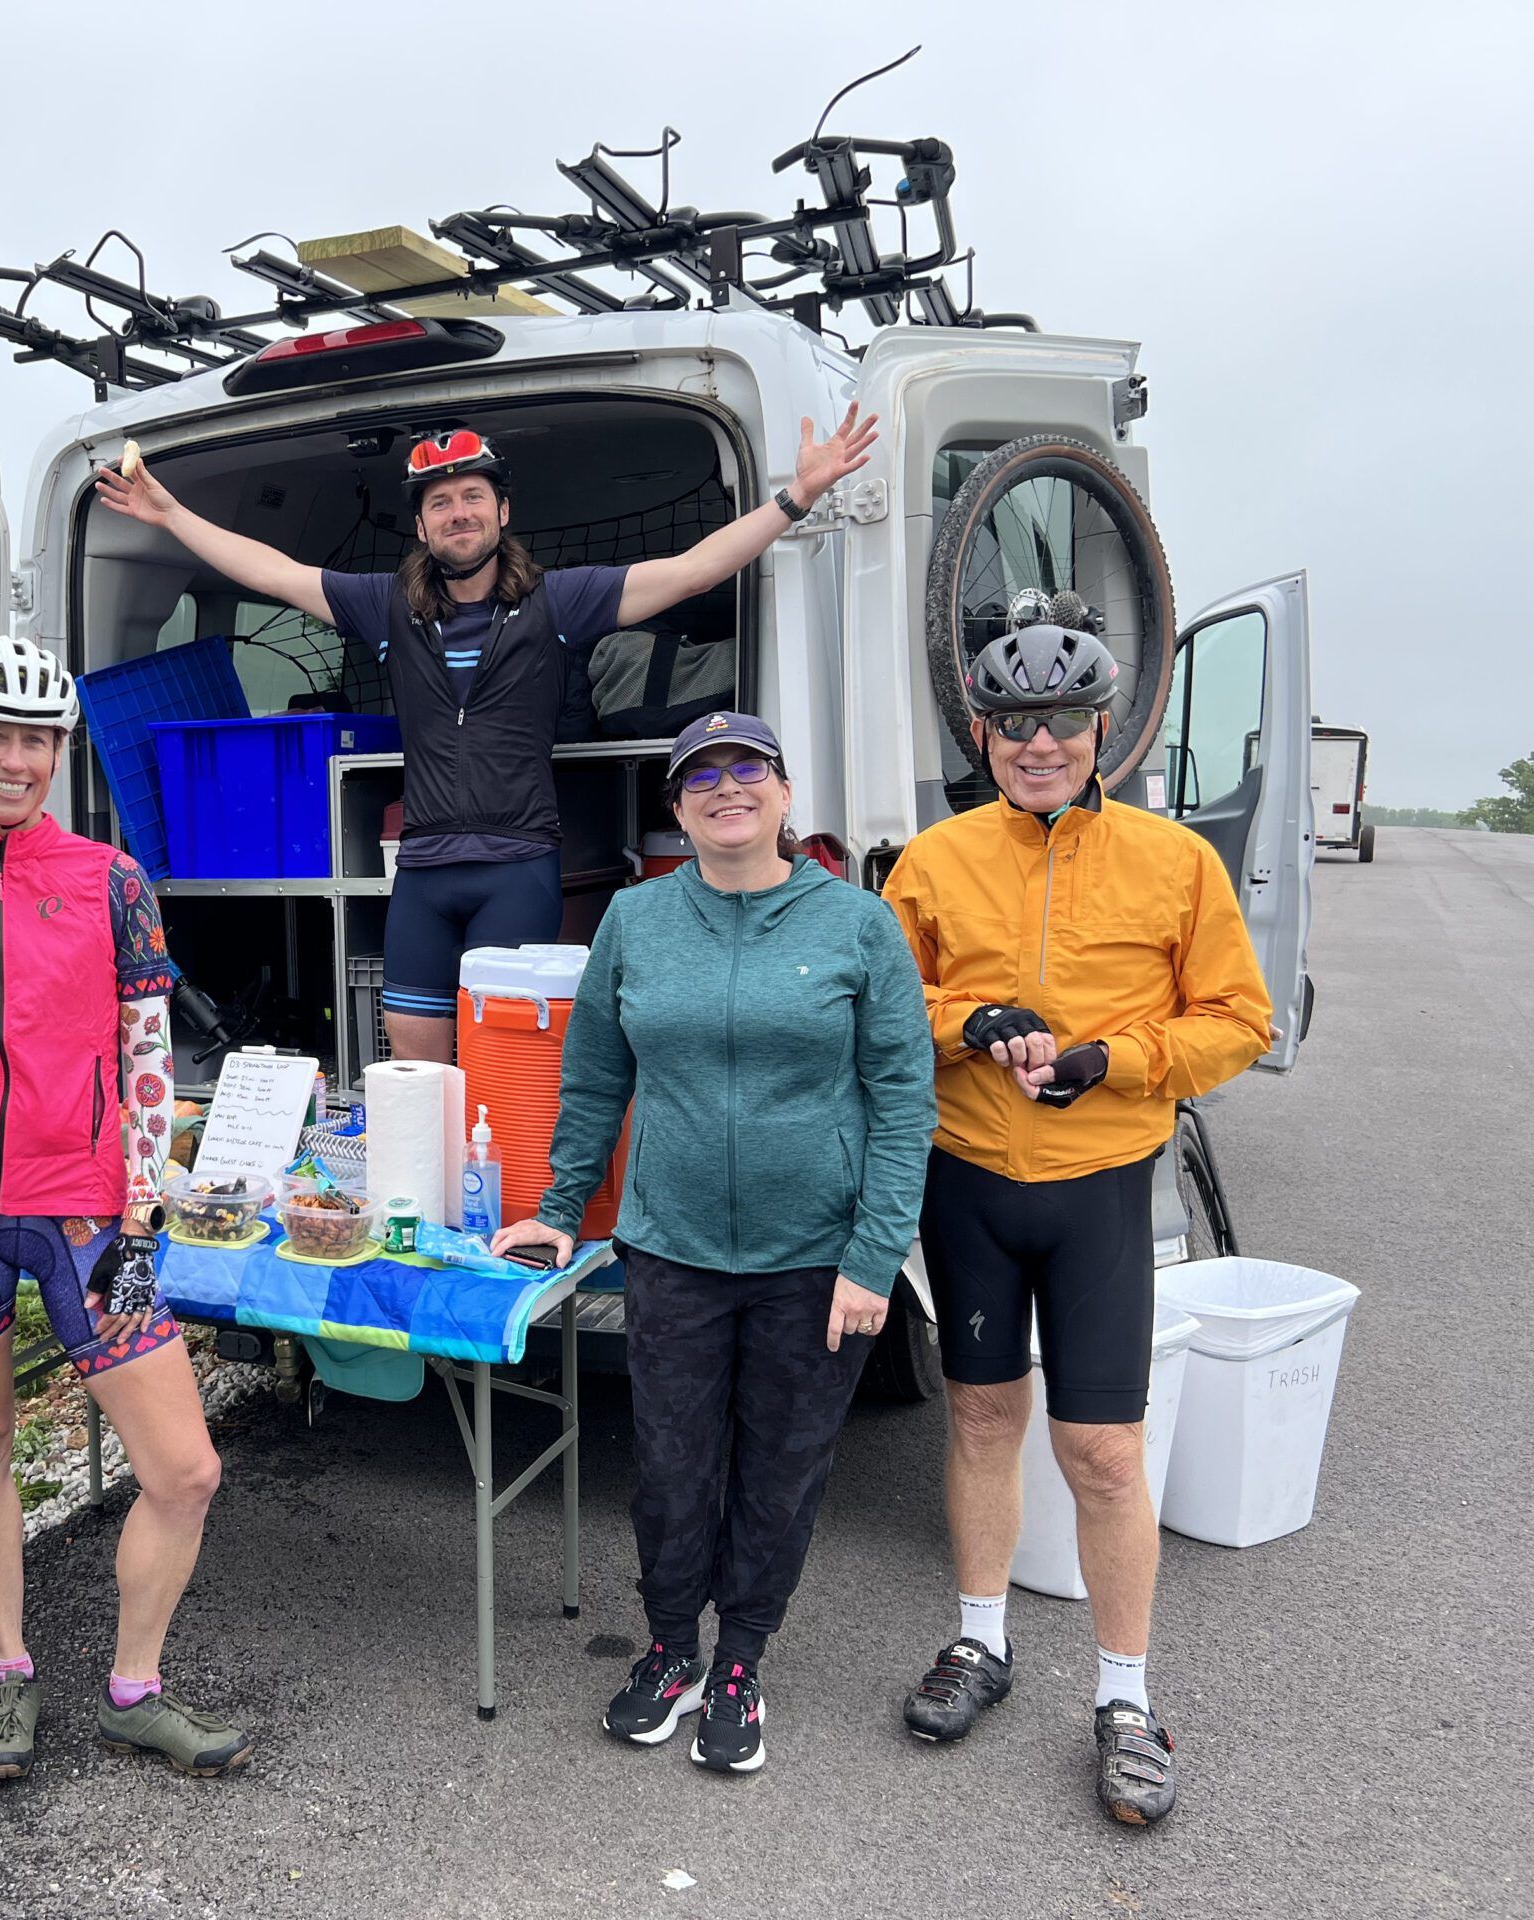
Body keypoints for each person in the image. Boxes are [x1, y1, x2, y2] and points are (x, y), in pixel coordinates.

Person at [94, 413, 878, 1062]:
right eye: (440, 503)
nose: (458, 512)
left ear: (503, 513)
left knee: (505, 1065)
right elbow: (271, 571)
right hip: (426, 873)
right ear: (422, 525)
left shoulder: (557, 603)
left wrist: (796, 497)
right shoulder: (385, 607)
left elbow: (693, 570)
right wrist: (171, 515)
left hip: (518, 865)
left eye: (473, 496)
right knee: (417, 1072)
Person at [881, 600, 1274, 1825]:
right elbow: (895, 1003)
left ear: (1100, 728)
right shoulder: (936, 860)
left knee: (1101, 1451)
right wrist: (968, 1023)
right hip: (970, 1177)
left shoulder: (1174, 863)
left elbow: (1239, 1021)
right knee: (983, 1418)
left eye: (1057, 721)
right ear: (983, 737)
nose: (1035, 743)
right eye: (1011, 724)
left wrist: (1116, 1060)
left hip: (1099, 1184)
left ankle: (1124, 1698)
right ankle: (981, 1643)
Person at [492, 711, 934, 1773]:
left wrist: (874, 1259)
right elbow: (594, 1080)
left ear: (784, 796)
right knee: (670, 1466)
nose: (725, 788)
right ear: (677, 806)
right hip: (673, 1250)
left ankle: (739, 1659)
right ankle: (666, 1649)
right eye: (701, 776)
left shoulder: (857, 925)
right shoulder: (636, 924)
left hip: (812, 1260)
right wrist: (559, 1206)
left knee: (780, 1469)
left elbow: (903, 1099)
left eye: (748, 770)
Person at [0, 636, 249, 1782]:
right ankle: (9, 1674)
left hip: (87, 1218)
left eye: (38, 740)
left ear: (58, 752)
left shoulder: (109, 878)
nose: (16, 760)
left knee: (184, 1469)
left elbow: (148, 1049)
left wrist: (147, 1203)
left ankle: (133, 1689)